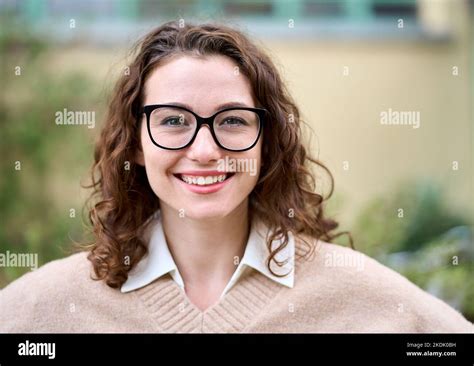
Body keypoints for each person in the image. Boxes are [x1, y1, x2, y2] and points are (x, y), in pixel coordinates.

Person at [0, 21, 472, 333]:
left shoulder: (362, 297)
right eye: (172, 121)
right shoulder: (47, 307)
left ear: (267, 143)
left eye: (231, 121)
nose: (205, 151)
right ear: (136, 146)